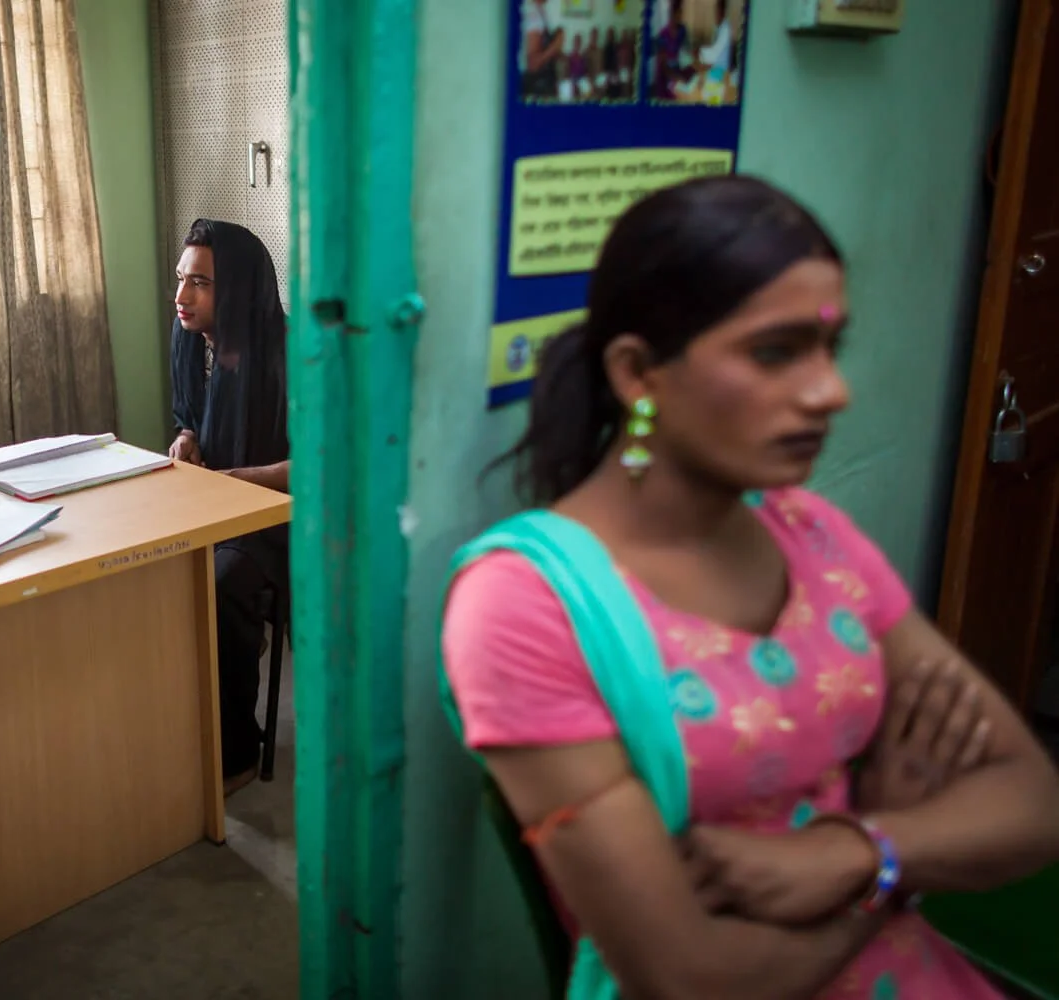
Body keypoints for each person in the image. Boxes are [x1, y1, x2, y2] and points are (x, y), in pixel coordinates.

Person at [441, 176, 1059, 999]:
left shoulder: (812, 534)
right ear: (638, 374)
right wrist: (894, 869)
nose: (831, 390)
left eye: (830, 347)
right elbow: (688, 977)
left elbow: (1031, 800)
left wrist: (855, 849)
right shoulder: (526, 608)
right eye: (776, 352)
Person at [169, 219, 289, 795]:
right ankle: (180, 726)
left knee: (220, 584)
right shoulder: (195, 342)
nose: (182, 296)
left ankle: (236, 751)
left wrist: (236, 482)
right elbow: (191, 417)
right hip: (218, 502)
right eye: (180, 278)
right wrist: (186, 438)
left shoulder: (289, 358)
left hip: (280, 522)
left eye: (200, 283)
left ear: (237, 289)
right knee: (155, 565)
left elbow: (320, 466)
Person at [518, 0, 566, 101]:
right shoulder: (533, 14)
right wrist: (554, 47)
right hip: (535, 86)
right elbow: (532, 63)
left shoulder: (540, 11)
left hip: (545, 82)